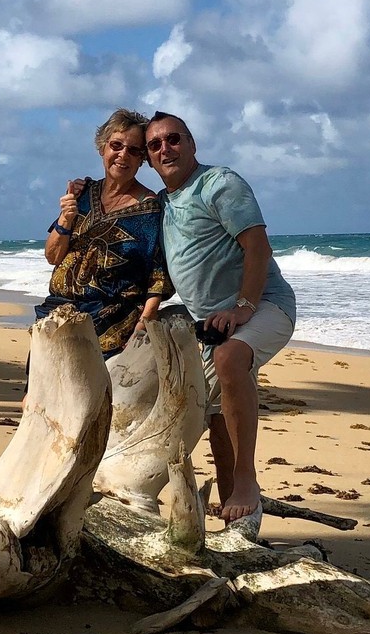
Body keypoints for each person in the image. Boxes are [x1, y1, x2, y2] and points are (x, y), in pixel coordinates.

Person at [144, 111, 296, 527]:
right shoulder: (163, 204)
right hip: (211, 325)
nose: (165, 149)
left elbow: (258, 248)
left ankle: (247, 482)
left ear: (192, 144)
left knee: (231, 360)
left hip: (266, 305)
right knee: (216, 419)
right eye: (155, 145)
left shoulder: (219, 184)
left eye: (173, 139)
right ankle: (239, 524)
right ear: (149, 159)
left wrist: (244, 306)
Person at [34, 108, 172, 359]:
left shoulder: (149, 209)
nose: (123, 155)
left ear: (142, 158)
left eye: (133, 150)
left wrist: (142, 326)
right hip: (55, 316)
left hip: (111, 327)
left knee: (93, 398)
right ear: (102, 148)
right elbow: (53, 256)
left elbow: (158, 278)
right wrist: (66, 218)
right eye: (116, 145)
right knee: (35, 398)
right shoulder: (82, 194)